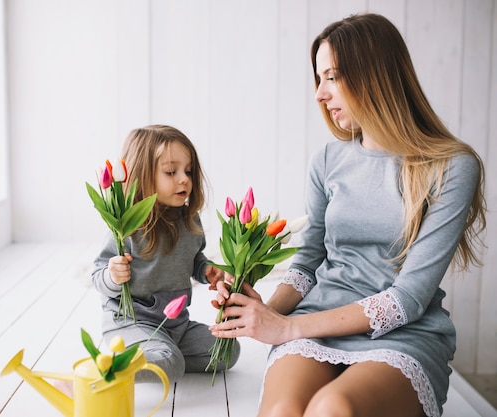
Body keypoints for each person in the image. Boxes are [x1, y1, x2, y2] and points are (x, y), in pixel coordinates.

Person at [210, 13, 486, 417]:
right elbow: (308, 262)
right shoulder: (327, 159)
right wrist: (262, 308)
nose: (320, 94)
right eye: (318, 79)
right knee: (283, 410)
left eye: (332, 77)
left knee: (333, 408)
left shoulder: (451, 166)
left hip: (403, 334)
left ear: (375, 76)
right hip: (313, 321)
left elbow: (407, 299)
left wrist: (285, 328)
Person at [92, 124, 240, 383]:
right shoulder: (127, 226)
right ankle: (105, 373)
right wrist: (113, 276)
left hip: (175, 325)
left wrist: (206, 271)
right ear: (142, 175)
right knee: (170, 363)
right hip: (131, 323)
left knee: (227, 351)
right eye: (171, 172)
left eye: (188, 171)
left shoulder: (188, 219)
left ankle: (159, 355)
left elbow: (193, 258)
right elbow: (98, 275)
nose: (184, 179)